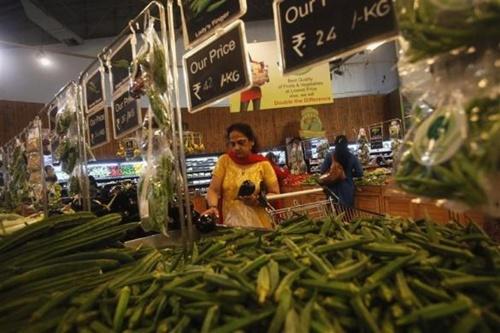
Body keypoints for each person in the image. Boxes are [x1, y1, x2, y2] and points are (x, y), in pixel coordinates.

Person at [203, 123, 280, 229]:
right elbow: (213, 190)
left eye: (241, 142)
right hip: (231, 222)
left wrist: (259, 200)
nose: (236, 148)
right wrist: (213, 206)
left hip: (259, 223)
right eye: (233, 144)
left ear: (251, 141)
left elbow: (275, 193)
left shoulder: (263, 164)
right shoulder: (224, 161)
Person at [320, 135, 363, 207]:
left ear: (335, 144)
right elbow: (360, 173)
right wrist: (349, 174)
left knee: (334, 214)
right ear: (347, 144)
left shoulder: (329, 156)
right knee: (347, 214)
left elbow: (322, 171)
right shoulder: (352, 157)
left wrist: (332, 173)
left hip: (332, 189)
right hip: (347, 189)